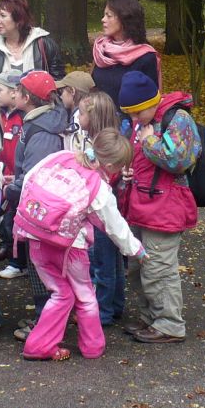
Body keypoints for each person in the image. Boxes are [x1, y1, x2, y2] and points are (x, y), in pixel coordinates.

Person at [18, 130, 146, 361]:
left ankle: (38, 346)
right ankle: (92, 347)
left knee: (60, 294)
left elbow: (29, 180)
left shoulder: (60, 157)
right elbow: (115, 226)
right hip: (70, 248)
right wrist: (136, 249)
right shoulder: (98, 187)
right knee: (85, 296)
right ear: (110, 165)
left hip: (36, 238)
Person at [118, 71, 201, 343]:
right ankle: (150, 317)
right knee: (139, 268)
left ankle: (169, 324)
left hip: (166, 207)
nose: (134, 119)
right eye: (129, 114)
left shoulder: (177, 119)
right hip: (142, 204)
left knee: (159, 269)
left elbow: (179, 160)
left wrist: (149, 141)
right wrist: (129, 172)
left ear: (151, 103)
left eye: (137, 112)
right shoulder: (145, 122)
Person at [4, 70, 68, 341]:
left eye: (17, 91)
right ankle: (46, 317)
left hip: (41, 209)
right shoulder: (40, 122)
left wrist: (11, 189)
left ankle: (45, 321)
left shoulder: (42, 130)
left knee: (40, 265)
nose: (14, 94)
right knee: (40, 264)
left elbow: (37, 175)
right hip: (41, 205)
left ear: (28, 98)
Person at [75, 91, 128, 326]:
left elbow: (107, 176)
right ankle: (115, 305)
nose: (78, 117)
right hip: (108, 208)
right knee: (112, 260)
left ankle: (103, 311)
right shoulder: (106, 140)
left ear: (93, 117)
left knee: (102, 261)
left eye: (81, 113)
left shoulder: (102, 146)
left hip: (101, 210)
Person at [0, 0, 65, 93]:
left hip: (39, 104)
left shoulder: (43, 44)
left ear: (18, 19)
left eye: (3, 16)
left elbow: (58, 84)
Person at [91, 0, 162, 123]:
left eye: (109, 16)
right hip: (97, 124)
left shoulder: (145, 56)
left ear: (124, 19)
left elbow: (151, 104)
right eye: (104, 15)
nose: (103, 20)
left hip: (128, 128)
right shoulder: (101, 50)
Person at [0, 70, 25, 265]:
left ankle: (17, 261)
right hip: (1, 173)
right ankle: (6, 245)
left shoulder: (23, 118)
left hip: (17, 175)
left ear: (14, 92)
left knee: (15, 216)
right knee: (4, 214)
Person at [55, 71, 95, 151]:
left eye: (61, 91)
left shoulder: (78, 118)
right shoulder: (91, 112)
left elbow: (78, 148)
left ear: (72, 91)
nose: (61, 96)